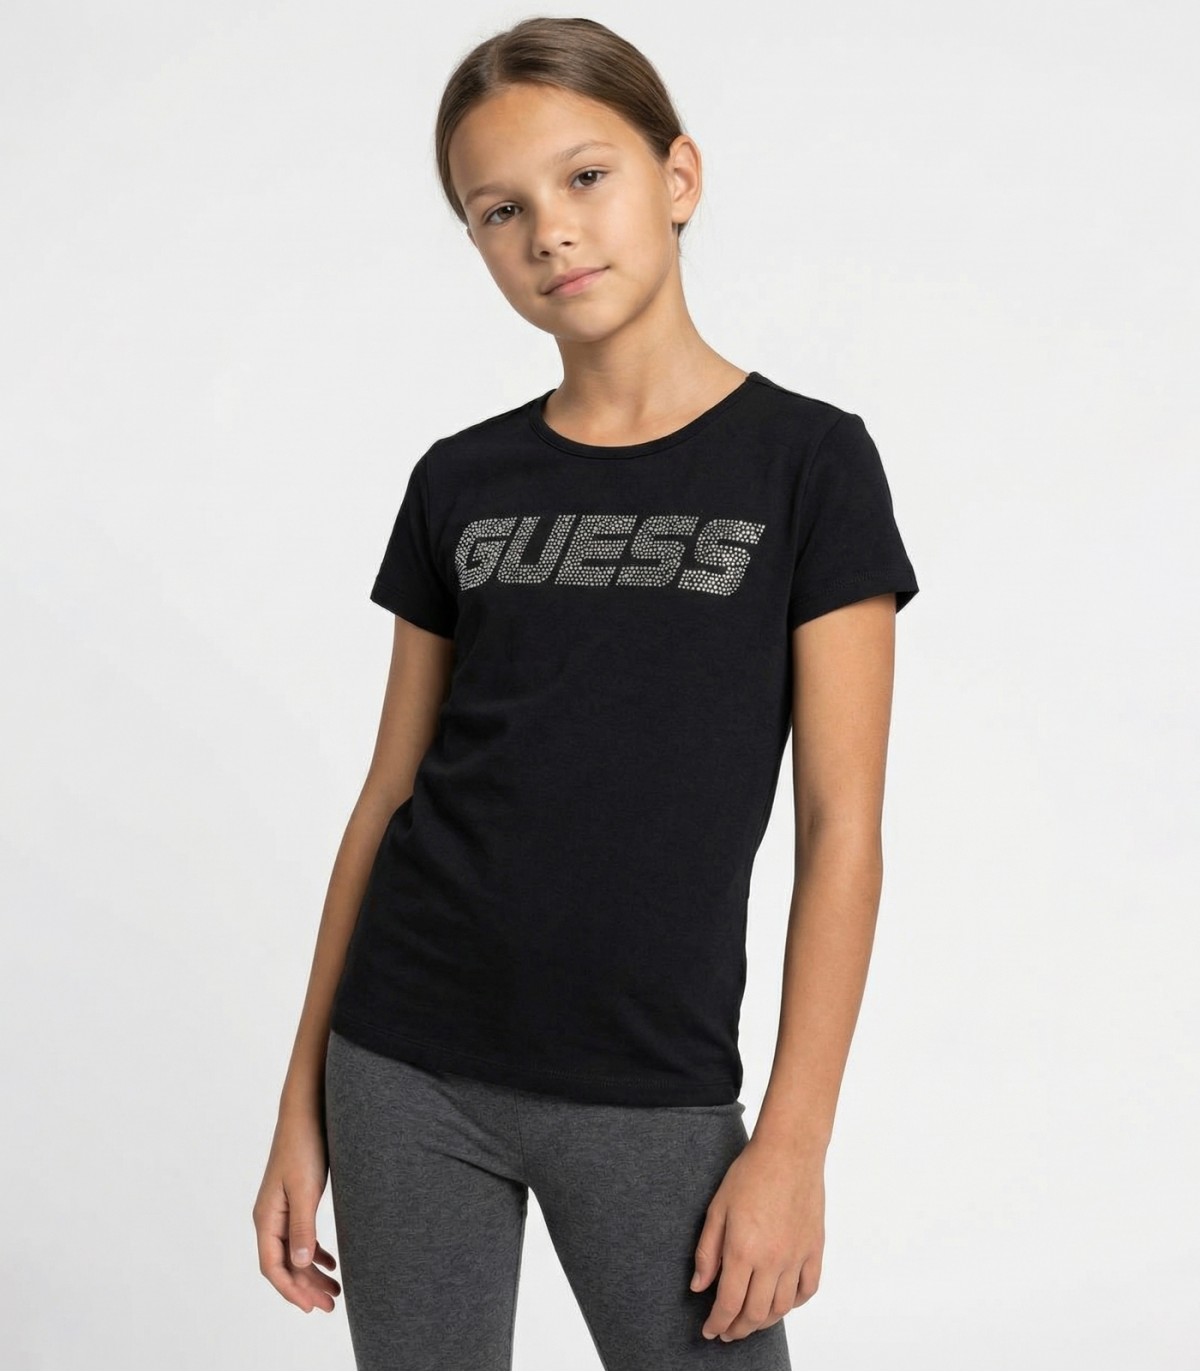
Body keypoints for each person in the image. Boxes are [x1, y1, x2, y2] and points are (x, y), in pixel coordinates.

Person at [252, 15, 920, 1371]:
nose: (549, 230)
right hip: (402, 1065)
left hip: (649, 1088)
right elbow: (390, 796)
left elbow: (841, 826)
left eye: (586, 178)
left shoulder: (809, 466)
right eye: (498, 210)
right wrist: (300, 1099)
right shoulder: (460, 480)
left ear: (678, 177)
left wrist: (793, 1146)